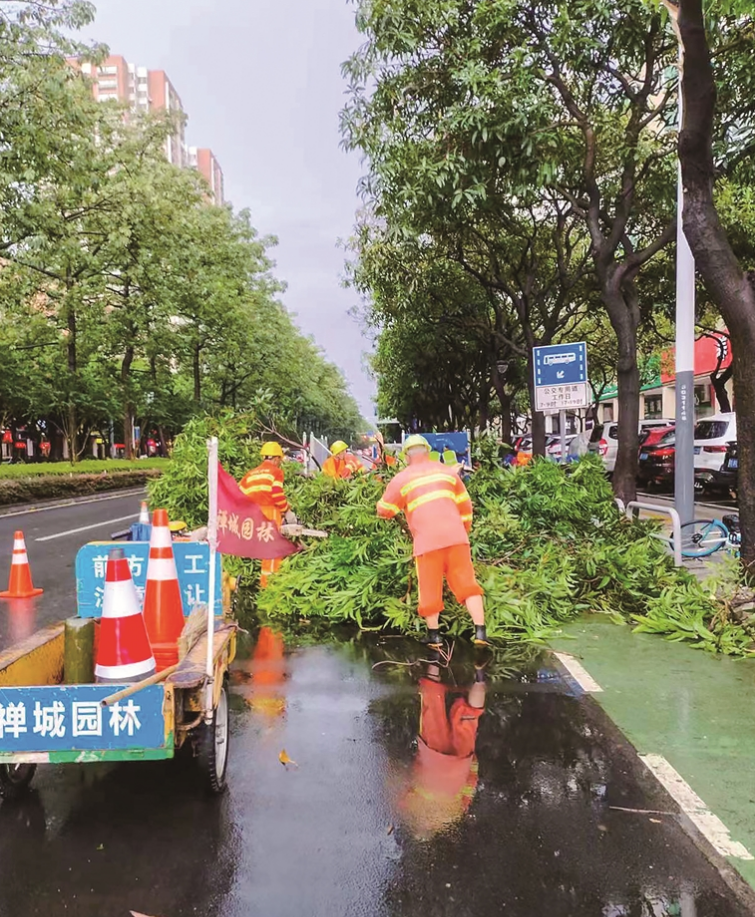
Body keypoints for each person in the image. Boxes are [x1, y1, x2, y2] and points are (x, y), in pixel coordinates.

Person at [376, 434, 488, 647]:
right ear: (428, 451)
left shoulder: (402, 478)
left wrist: (389, 505)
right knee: (467, 584)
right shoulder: (447, 472)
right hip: (457, 539)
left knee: (429, 586)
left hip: (427, 543)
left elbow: (385, 510)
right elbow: (465, 506)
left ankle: (434, 635)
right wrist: (462, 531)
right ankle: (480, 632)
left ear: (406, 456)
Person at [397, 661, 486, 840]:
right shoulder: (409, 808)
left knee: (470, 716)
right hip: (432, 754)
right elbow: (405, 780)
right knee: (431, 705)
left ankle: (480, 671)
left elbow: (470, 786)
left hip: (461, 762)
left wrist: (472, 761)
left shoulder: (453, 816)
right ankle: (435, 655)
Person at [240, 442, 296, 587]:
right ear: (276, 458)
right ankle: (269, 586)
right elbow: (277, 495)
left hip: (251, 514)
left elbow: (239, 495)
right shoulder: (275, 472)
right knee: (273, 550)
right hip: (269, 512)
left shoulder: (250, 474)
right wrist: (286, 511)